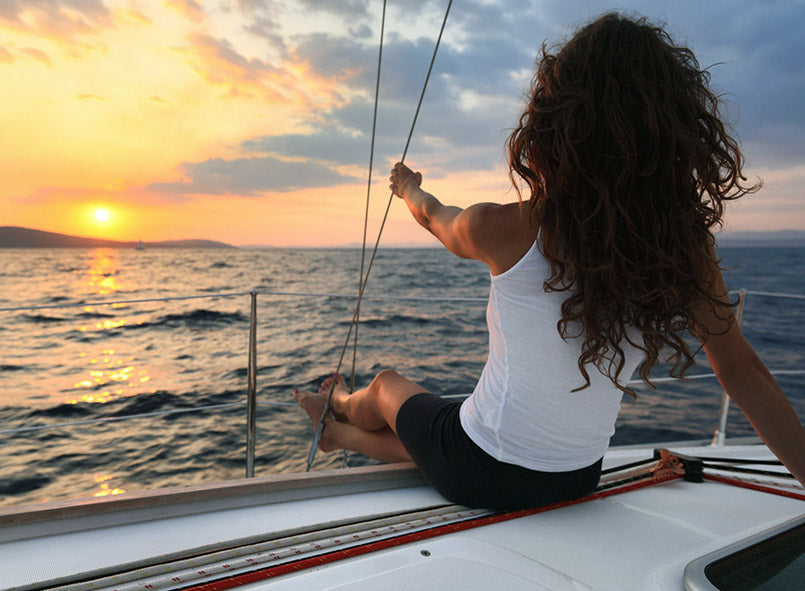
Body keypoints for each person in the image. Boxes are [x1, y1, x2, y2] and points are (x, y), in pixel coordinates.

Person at [294, 13, 805, 509]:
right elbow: (744, 373)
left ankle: (338, 403)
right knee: (453, 427)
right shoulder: (683, 251)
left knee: (387, 387)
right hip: (578, 477)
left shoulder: (505, 227)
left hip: (479, 471)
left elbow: (434, 217)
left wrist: (408, 187)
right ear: (673, 135)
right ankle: (340, 438)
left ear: (557, 124)